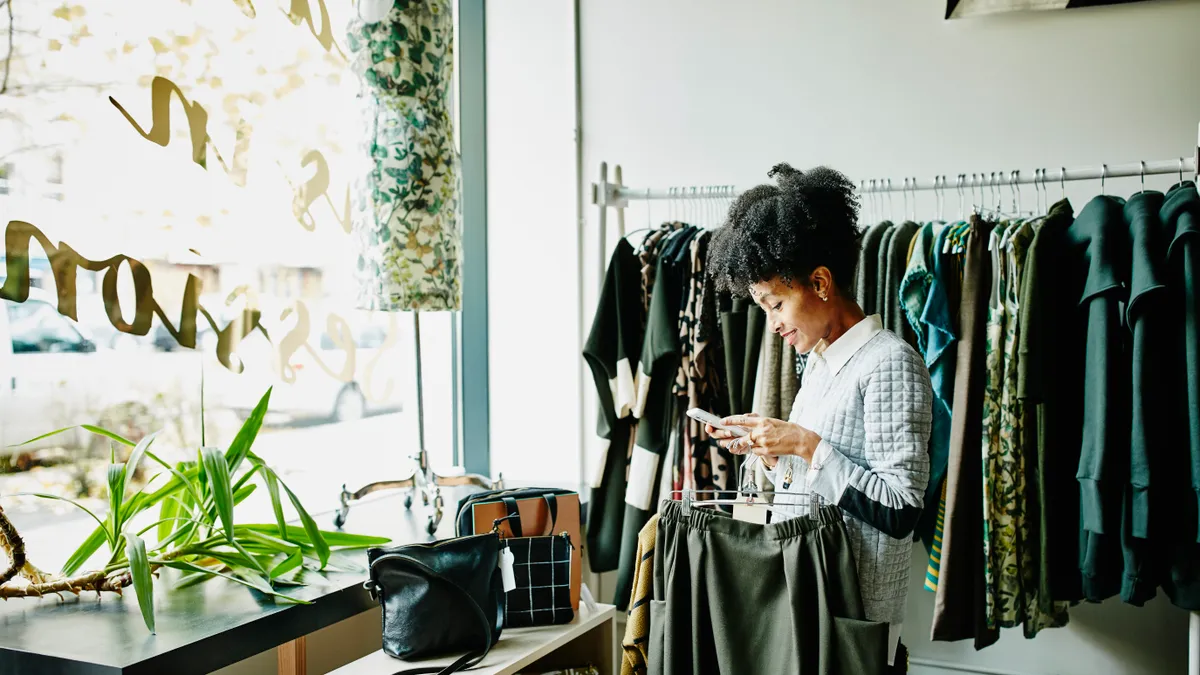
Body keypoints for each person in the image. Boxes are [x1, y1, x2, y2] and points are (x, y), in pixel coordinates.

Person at [705, 164, 932, 674]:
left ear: (821, 282)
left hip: (853, 625)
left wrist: (805, 444)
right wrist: (768, 451)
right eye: (763, 307)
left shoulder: (890, 362)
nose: (773, 323)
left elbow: (901, 510)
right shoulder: (822, 364)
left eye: (776, 303)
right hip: (808, 610)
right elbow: (813, 484)